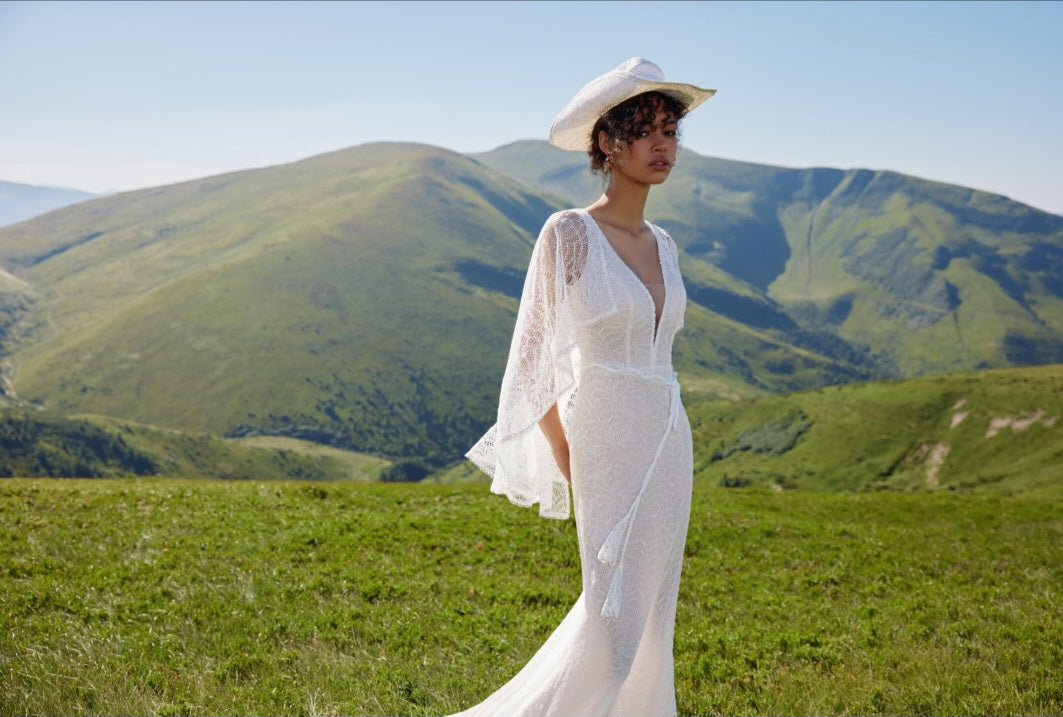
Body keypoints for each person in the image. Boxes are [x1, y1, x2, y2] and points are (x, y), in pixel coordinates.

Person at [461, 57, 716, 716]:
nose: (662, 145)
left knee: (652, 614)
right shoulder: (568, 232)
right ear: (607, 142)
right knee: (613, 617)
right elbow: (532, 365)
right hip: (602, 437)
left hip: (667, 437)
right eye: (644, 130)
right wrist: (571, 460)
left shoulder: (663, 242)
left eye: (670, 131)